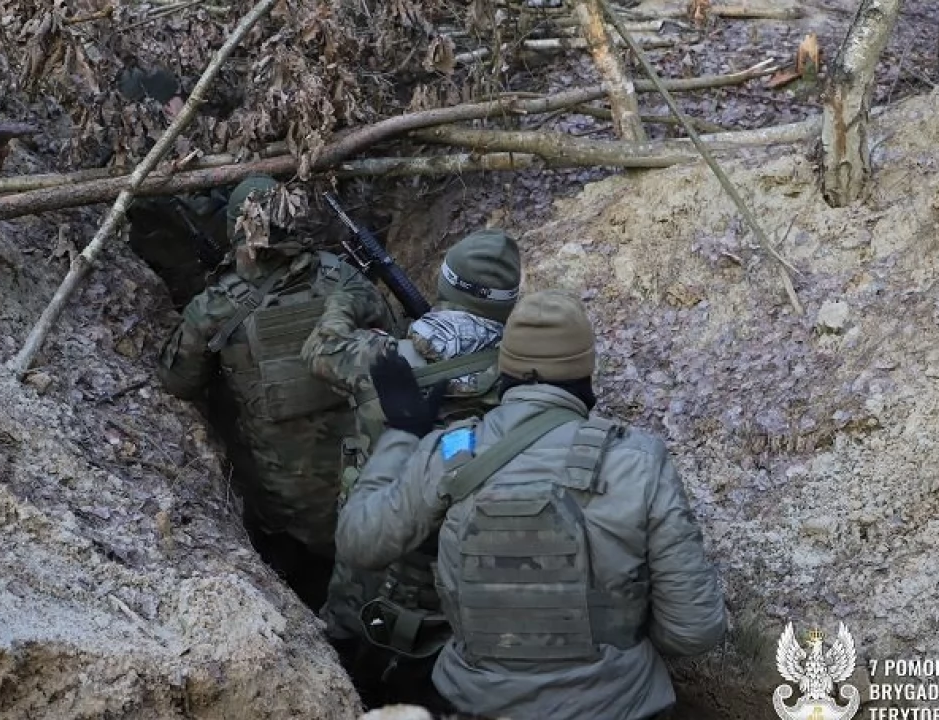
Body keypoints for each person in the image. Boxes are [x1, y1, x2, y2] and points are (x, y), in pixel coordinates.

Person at [338, 289, 728, 719]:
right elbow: (694, 629)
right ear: (585, 371)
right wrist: (618, 634)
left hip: (473, 703)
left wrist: (402, 433)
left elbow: (359, 541)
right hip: (618, 707)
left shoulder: (451, 450)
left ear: (504, 368)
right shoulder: (637, 461)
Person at [301, 229, 523, 707]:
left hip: (368, 554)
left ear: (444, 283)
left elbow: (320, 349)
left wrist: (348, 299)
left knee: (341, 663)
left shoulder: (382, 358)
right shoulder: (523, 381)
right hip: (455, 575)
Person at [156, 175, 394, 610]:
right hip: (367, 477)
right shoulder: (343, 278)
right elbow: (391, 340)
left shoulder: (216, 306)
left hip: (283, 504)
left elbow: (179, 382)